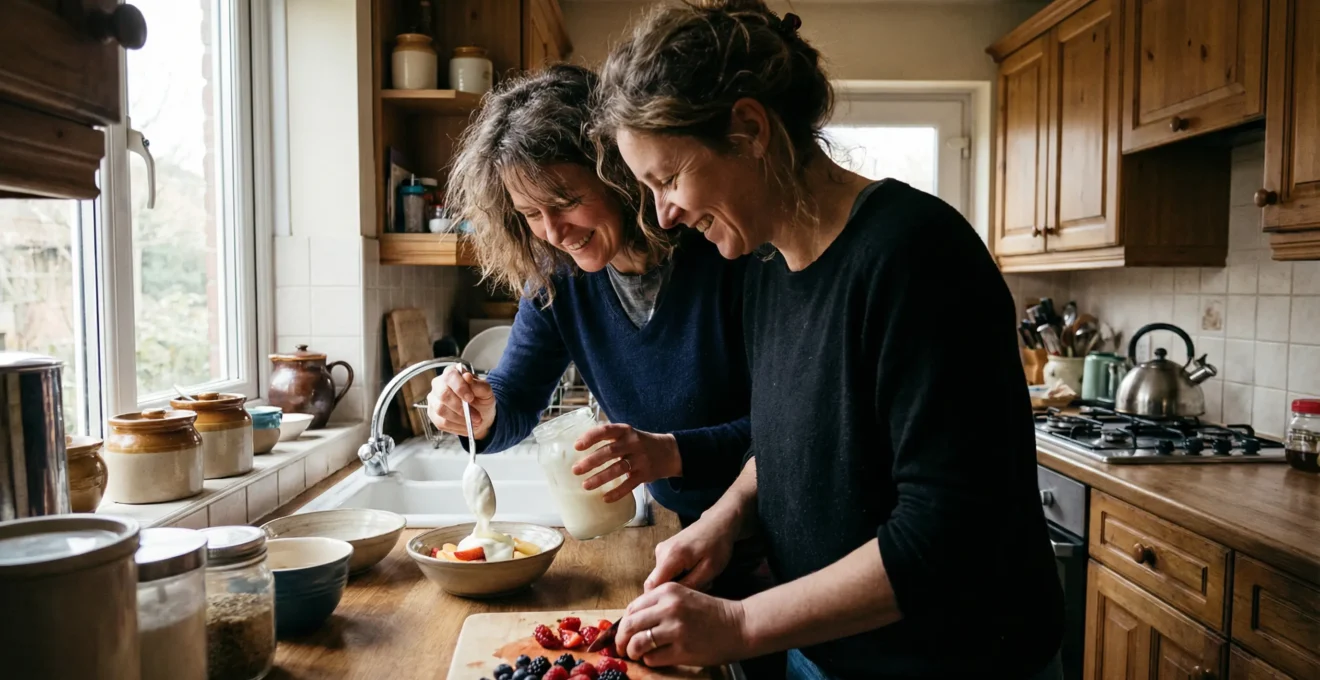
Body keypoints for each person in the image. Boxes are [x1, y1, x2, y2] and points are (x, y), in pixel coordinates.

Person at [593, 2, 1065, 679]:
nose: (664, 213)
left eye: (669, 178)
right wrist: (723, 519)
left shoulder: (916, 255)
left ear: (750, 130)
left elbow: (944, 533)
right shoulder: (765, 267)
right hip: (825, 656)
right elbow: (785, 438)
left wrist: (738, 623)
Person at [429, 63, 753, 547]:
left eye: (565, 201)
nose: (554, 233)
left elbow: (786, 425)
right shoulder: (558, 281)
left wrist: (670, 454)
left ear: (616, 172)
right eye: (531, 214)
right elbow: (515, 395)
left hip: (774, 526)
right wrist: (481, 411)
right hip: (687, 533)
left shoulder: (723, 247)